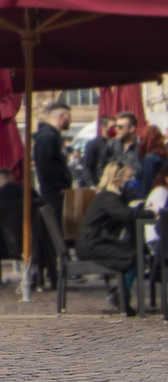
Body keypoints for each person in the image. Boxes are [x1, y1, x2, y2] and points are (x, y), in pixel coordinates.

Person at [77, 162, 142, 315]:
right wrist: (151, 213)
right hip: (92, 244)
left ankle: (119, 292)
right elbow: (126, 215)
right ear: (116, 179)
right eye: (128, 177)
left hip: (97, 241)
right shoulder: (107, 198)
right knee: (132, 256)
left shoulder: (111, 197)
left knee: (134, 253)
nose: (131, 180)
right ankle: (120, 295)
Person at [31, 99, 72, 289]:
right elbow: (47, 167)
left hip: (52, 192)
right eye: (68, 117)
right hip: (53, 193)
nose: (69, 121)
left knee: (52, 234)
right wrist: (60, 184)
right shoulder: (48, 137)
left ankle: (52, 272)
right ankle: (52, 272)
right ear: (61, 116)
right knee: (53, 234)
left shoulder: (49, 136)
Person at [80, 115, 115, 187]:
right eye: (112, 127)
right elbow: (87, 166)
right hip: (98, 183)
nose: (114, 130)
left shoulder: (116, 144)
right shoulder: (93, 144)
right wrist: (91, 184)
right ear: (103, 127)